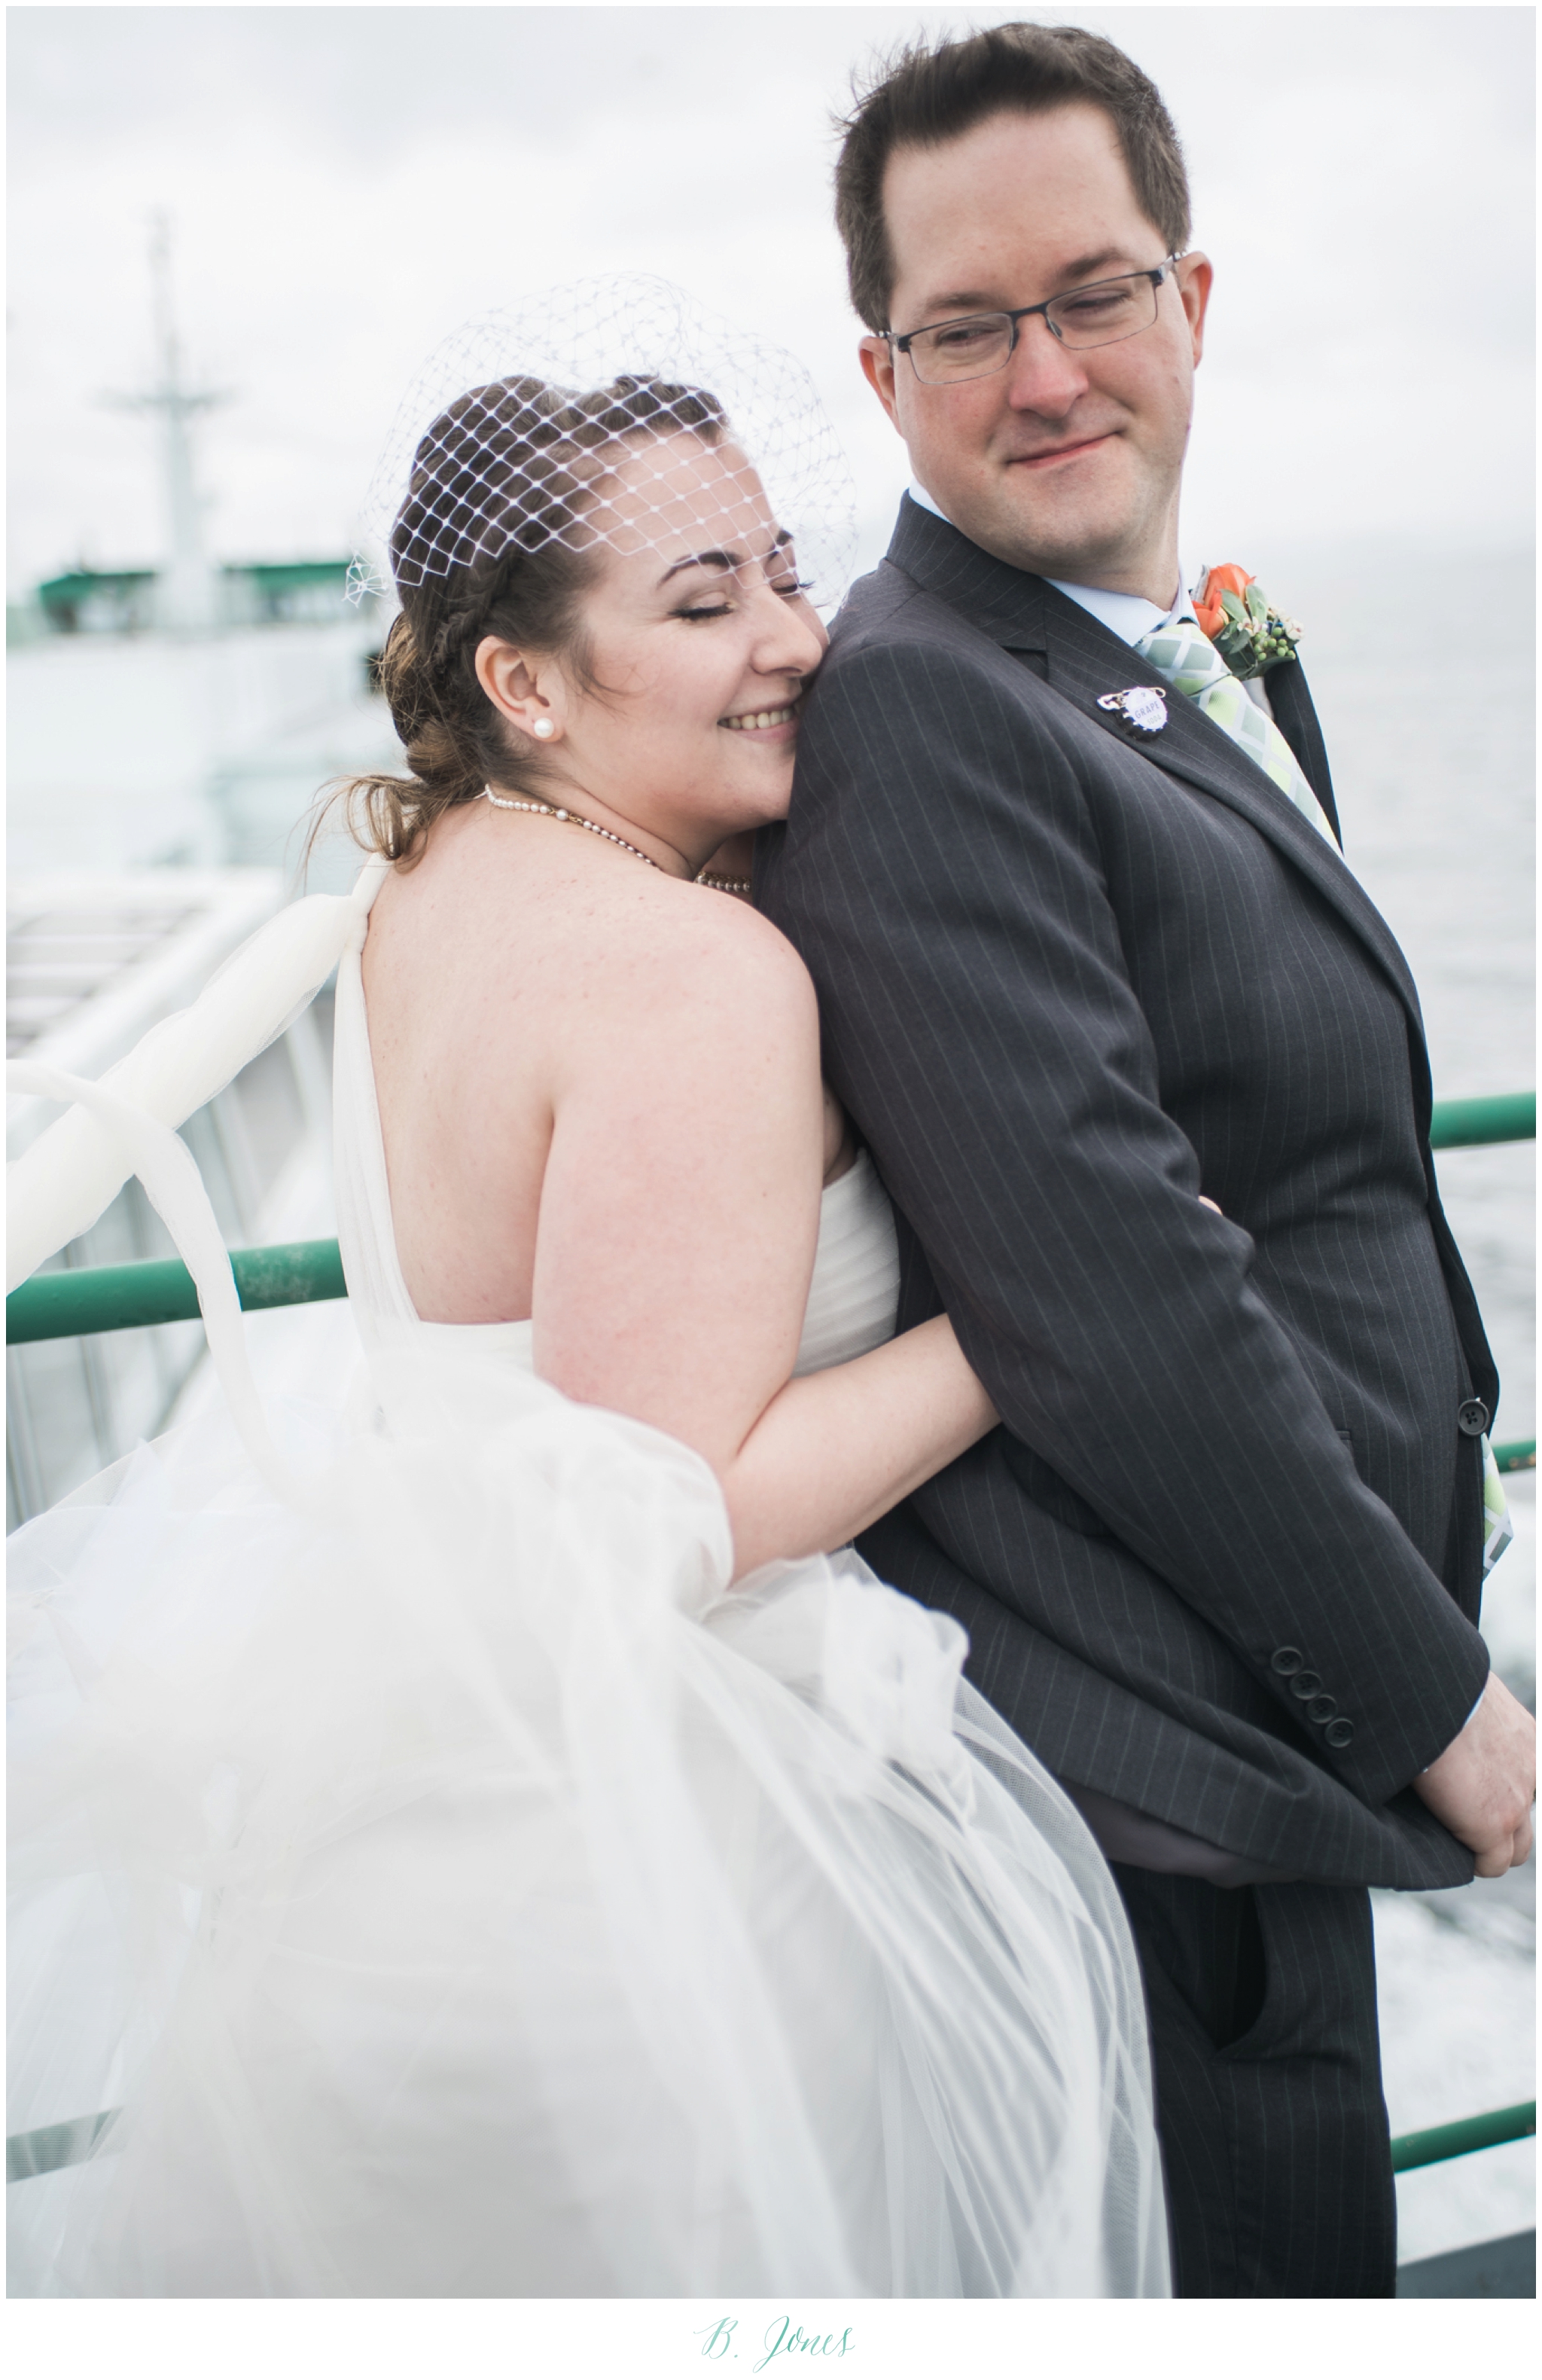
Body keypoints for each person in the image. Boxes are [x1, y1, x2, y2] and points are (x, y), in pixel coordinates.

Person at [5, 298, 1169, 2297]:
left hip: (377, 1874)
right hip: (651, 1920)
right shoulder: (699, 977)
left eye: (788, 575)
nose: (799, 642)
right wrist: (1040, 1308)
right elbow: (671, 1507)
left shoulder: (422, 882)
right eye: (709, 602)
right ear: (525, 681)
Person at [754, 23, 1536, 2300]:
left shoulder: (1139, 653)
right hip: (1155, 1781)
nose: (1044, 373)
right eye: (968, 328)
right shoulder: (920, 700)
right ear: (886, 373)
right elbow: (1112, 1286)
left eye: (1091, 295)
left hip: (1258, 1730)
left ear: (1192, 306)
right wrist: (1440, 1712)